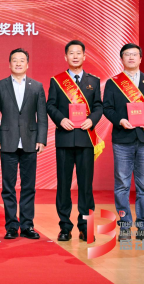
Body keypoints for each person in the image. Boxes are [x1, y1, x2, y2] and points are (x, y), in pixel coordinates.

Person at [102, 43, 144, 242]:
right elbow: (107, 108)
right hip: (122, 139)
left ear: (140, 58)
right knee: (122, 185)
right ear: (121, 59)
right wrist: (120, 120)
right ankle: (125, 227)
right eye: (127, 54)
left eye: (134, 54)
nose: (131, 57)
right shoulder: (113, 83)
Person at [47, 40, 104, 242]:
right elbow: (50, 105)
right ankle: (65, 227)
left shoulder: (93, 81)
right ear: (66, 57)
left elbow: (99, 106)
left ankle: (86, 227)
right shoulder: (57, 80)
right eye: (71, 53)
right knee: (63, 185)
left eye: (78, 53)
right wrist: (61, 119)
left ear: (84, 56)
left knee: (86, 186)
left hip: (86, 139)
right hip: (64, 138)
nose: (75, 56)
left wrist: (92, 120)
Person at [0, 48, 47, 240]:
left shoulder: (37, 86)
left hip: (30, 142)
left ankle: (27, 225)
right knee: (8, 187)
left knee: (28, 186)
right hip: (7, 142)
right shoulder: (0, 86)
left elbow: (42, 116)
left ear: (27, 64)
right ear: (9, 64)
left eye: (22, 60)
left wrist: (41, 139)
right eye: (14, 60)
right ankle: (11, 226)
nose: (18, 63)